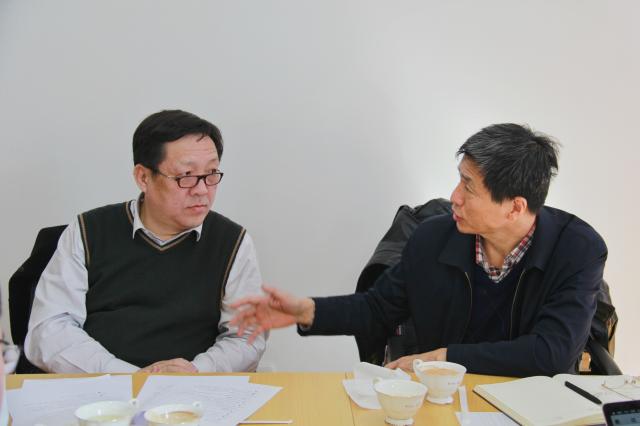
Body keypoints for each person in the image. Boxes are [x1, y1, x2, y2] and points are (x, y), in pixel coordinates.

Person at [231, 123, 607, 377]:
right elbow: (377, 309)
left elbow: (552, 352)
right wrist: (306, 311)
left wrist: (444, 358)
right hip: (444, 403)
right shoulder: (434, 237)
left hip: (532, 409)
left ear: (515, 207)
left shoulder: (578, 250)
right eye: (459, 180)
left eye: (469, 187)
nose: (454, 196)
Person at [25, 109, 266, 373]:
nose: (202, 190)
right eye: (186, 176)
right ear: (143, 177)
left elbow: (246, 337)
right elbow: (50, 329)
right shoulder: (87, 231)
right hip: (102, 388)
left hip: (194, 389)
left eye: (211, 174)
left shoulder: (232, 242)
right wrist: (126, 375)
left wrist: (196, 371)